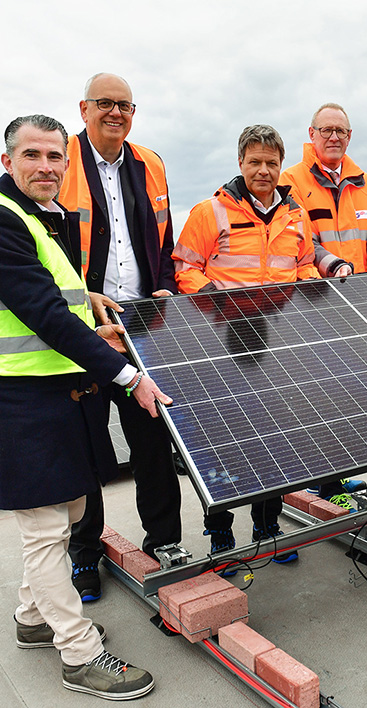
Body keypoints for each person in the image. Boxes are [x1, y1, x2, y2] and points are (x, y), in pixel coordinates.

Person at [0, 114, 171, 699]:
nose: (45, 166)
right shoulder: (3, 222)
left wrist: (87, 296)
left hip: (55, 393)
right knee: (47, 530)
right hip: (21, 398)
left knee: (69, 509)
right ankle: (79, 655)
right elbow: (42, 315)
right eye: (32, 156)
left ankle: (31, 620)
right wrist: (128, 376)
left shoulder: (38, 220)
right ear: (8, 162)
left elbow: (57, 298)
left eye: (54, 157)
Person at [56, 72, 185, 602]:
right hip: (82, 324)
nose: (116, 112)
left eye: (125, 105)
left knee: (152, 436)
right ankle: (85, 553)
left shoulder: (149, 162)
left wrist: (164, 287)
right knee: (84, 446)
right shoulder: (59, 160)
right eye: (105, 103)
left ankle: (166, 541)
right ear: (83, 108)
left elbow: (164, 233)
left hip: (140, 323)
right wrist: (80, 305)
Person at [173, 124, 320, 562]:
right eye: (254, 162)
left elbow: (306, 265)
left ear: (281, 165)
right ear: (240, 163)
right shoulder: (209, 212)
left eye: (271, 163)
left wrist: (314, 306)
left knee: (274, 435)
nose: (263, 170)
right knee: (221, 438)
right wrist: (215, 302)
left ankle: (267, 525)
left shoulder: (295, 215)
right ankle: (219, 531)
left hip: (278, 341)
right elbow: (185, 268)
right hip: (223, 342)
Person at [280, 102, 367, 506]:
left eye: (341, 131)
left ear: (349, 136)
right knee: (319, 393)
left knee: (351, 391)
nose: (334, 137)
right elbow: (304, 239)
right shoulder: (292, 180)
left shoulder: (365, 181)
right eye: (326, 130)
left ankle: (336, 476)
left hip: (356, 301)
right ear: (312, 134)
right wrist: (333, 265)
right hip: (314, 299)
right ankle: (320, 482)